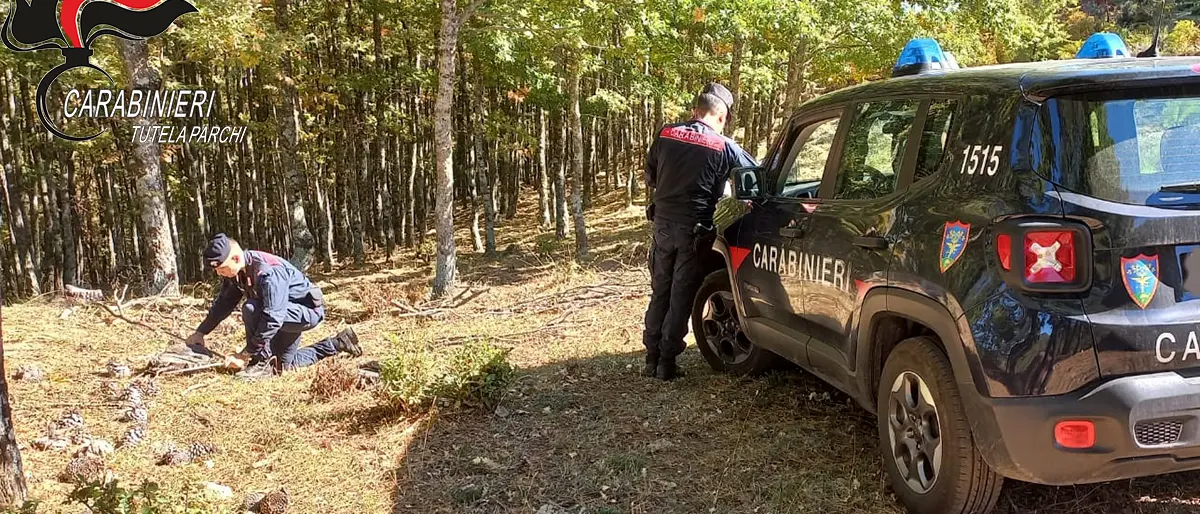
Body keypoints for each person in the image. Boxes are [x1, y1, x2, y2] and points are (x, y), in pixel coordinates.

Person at [642, 83, 757, 381]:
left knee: (660, 293)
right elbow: (756, 178)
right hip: (695, 232)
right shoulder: (724, 146)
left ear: (695, 112)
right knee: (681, 296)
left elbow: (650, 175)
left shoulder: (665, 134)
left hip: (662, 227)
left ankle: (650, 357)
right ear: (723, 118)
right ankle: (666, 362)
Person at [184, 233, 361, 379]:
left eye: (221, 268)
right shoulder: (238, 273)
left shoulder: (267, 271)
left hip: (305, 312)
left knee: (251, 308)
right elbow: (224, 303)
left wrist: (246, 354)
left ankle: (261, 364)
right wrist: (201, 332)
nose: (218, 272)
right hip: (284, 314)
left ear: (236, 258)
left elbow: (273, 317)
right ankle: (338, 343)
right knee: (282, 366)